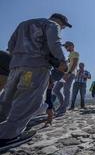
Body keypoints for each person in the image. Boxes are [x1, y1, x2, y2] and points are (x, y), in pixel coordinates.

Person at [0, 13, 70, 145]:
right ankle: (8, 136)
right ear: (60, 21)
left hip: (15, 67)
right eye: (64, 26)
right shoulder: (52, 24)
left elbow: (10, 46)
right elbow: (54, 43)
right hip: (35, 67)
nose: (63, 28)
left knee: (7, 99)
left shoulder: (23, 24)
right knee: (28, 100)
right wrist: (62, 61)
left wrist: (19, 58)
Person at [53, 41, 79, 115]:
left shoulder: (75, 53)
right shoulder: (69, 55)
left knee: (66, 91)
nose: (66, 47)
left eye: (67, 46)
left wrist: (69, 73)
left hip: (70, 74)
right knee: (55, 89)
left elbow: (74, 64)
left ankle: (63, 109)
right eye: (65, 46)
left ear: (72, 46)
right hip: (64, 74)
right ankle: (62, 105)